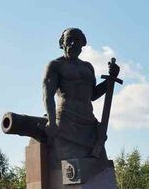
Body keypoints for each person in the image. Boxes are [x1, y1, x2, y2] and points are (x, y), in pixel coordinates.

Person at [42, 28, 120, 160]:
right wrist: (51, 121)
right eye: (69, 40)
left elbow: (93, 95)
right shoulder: (55, 65)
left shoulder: (88, 67)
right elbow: (47, 96)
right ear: (62, 43)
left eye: (77, 40)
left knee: (100, 166)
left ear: (83, 43)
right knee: (72, 168)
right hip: (66, 122)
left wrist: (111, 79)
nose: (73, 43)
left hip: (88, 123)